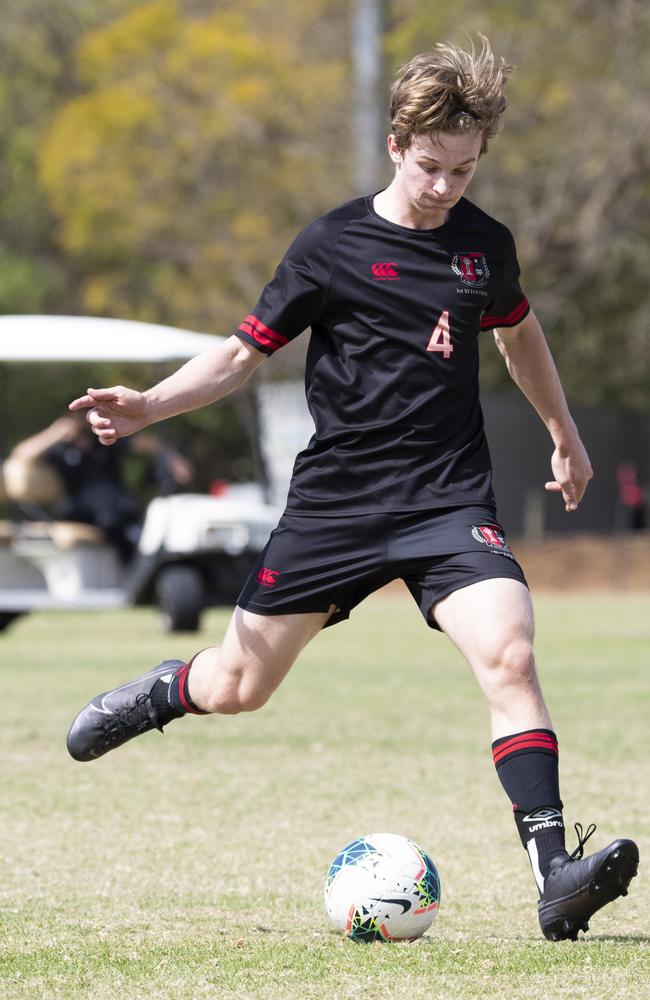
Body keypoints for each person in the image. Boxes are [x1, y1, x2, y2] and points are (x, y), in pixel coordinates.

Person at [66, 37, 638, 940]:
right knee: (240, 686)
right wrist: (150, 406)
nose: (448, 185)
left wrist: (564, 434)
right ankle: (166, 691)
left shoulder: (483, 248)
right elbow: (238, 356)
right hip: (336, 508)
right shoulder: (331, 244)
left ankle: (555, 874)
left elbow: (518, 336)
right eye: (432, 166)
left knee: (512, 654)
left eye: (465, 168)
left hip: (447, 502)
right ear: (395, 146)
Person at [9, 412, 193, 560]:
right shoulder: (60, 448)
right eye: (78, 415)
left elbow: (147, 444)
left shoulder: (105, 439)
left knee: (128, 518)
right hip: (81, 509)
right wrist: (55, 432)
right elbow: (22, 454)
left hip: (117, 504)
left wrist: (172, 457)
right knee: (111, 520)